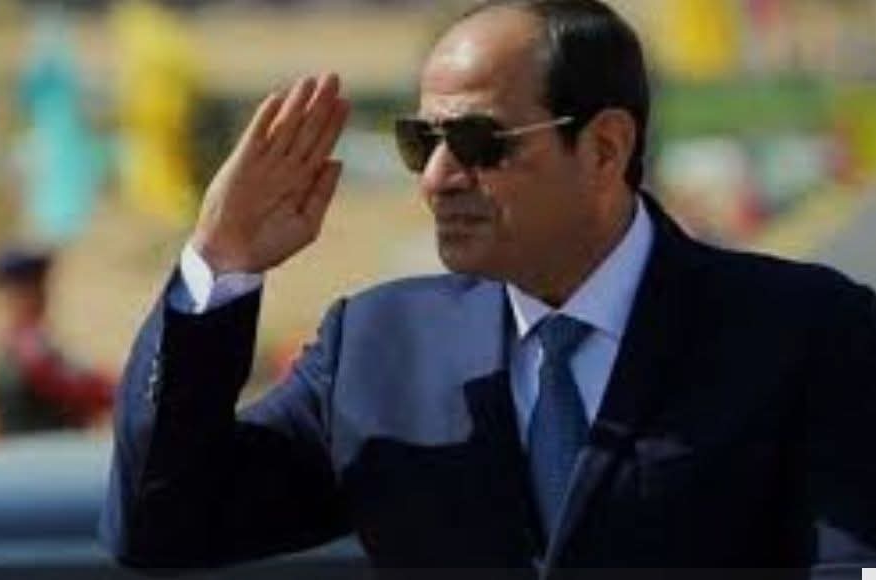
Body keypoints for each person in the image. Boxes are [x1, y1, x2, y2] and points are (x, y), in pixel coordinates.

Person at [101, 0, 876, 575]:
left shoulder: (806, 332)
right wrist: (220, 263)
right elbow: (163, 526)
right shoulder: (376, 349)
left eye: (476, 141)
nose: (437, 178)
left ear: (604, 148)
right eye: (421, 141)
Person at [0, 246, 113, 435]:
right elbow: (72, 386)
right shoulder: (29, 345)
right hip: (41, 446)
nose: (43, 295)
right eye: (32, 288)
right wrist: (123, 391)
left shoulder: (13, 342)